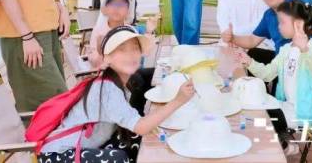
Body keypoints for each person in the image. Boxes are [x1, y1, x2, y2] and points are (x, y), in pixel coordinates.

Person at [39, 26, 195, 163]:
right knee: (119, 158)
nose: (130, 55)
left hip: (84, 146)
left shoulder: (117, 82)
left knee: (135, 138)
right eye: (121, 49)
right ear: (107, 58)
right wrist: (178, 100)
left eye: (135, 48)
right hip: (58, 155)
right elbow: (141, 127)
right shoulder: (108, 90)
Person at [234, 0, 312, 155]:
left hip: (302, 113)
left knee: (262, 116)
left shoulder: (311, 48)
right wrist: (248, 61)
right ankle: (282, 143)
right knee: (252, 105)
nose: (279, 27)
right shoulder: (286, 50)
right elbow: (268, 74)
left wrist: (305, 49)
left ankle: (282, 146)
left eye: (282, 22)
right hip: (285, 106)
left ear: (298, 24)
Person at [86, 0, 157, 115]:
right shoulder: (99, 30)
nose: (116, 8)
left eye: (121, 5)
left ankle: (138, 111)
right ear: (105, 9)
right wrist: (101, 53)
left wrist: (149, 31)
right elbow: (93, 60)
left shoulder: (129, 29)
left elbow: (145, 52)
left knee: (154, 75)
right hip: (107, 73)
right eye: (112, 4)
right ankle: (133, 118)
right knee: (137, 81)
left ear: (128, 10)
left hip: (128, 70)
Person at [221, 0, 296, 81]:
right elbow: (252, 40)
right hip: (280, 60)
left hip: (298, 64)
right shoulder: (269, 14)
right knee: (255, 53)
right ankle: (259, 89)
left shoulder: (297, 8)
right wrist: (232, 37)